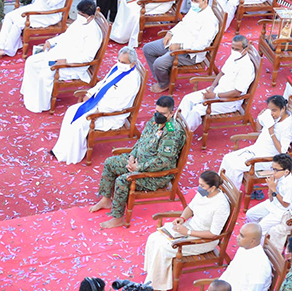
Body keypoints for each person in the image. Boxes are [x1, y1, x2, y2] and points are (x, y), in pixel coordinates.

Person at [89, 96, 186, 229]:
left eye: (162, 113)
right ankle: (106, 200)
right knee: (110, 162)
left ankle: (117, 218)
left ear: (171, 113)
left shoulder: (172, 133)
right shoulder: (155, 120)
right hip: (138, 162)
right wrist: (132, 156)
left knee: (122, 181)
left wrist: (138, 167)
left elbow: (163, 161)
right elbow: (141, 141)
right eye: (157, 111)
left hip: (156, 174)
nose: (158, 115)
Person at [50, 47, 142, 164]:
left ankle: (73, 155)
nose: (119, 64)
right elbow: (103, 83)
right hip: (97, 103)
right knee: (71, 111)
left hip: (108, 113)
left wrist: (99, 110)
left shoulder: (132, 80)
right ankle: (62, 150)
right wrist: (90, 93)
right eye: (118, 60)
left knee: (79, 123)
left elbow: (120, 104)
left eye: (123, 62)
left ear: (132, 64)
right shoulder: (117, 67)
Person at [143, 170, 231, 291]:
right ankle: (153, 276)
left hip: (203, 239)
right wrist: (182, 218)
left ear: (212, 188)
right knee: (153, 238)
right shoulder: (203, 193)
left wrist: (187, 233)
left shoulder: (221, 206)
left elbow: (214, 234)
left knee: (163, 247)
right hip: (189, 227)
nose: (199, 188)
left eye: (202, 185)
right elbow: (190, 207)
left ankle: (158, 285)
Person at [20, 0, 102, 113]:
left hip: (73, 63)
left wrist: (66, 60)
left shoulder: (93, 33)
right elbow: (67, 35)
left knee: (45, 71)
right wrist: (51, 41)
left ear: (91, 17)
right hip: (62, 52)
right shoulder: (80, 22)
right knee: (31, 61)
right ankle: (30, 93)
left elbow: (87, 58)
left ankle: (41, 104)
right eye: (78, 13)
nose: (79, 17)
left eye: (82, 15)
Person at [143, 0, 219, 93]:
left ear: (205, 2)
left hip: (189, 53)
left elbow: (200, 45)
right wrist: (170, 33)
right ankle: (163, 77)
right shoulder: (195, 9)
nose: (193, 3)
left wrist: (180, 46)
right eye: (192, 0)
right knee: (148, 49)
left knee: (158, 64)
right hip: (175, 41)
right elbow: (183, 23)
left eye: (196, 1)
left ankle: (164, 84)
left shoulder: (210, 21)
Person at [178, 35, 255, 132]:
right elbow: (221, 73)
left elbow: (237, 92)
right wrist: (212, 87)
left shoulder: (247, 67)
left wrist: (215, 96)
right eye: (232, 48)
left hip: (229, 101)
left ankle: (182, 135)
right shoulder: (234, 56)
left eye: (237, 49)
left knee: (196, 111)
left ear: (245, 49)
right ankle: (175, 128)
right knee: (188, 99)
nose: (234, 51)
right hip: (216, 91)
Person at [219, 95, 292, 189]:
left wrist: (271, 132)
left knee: (234, 166)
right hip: (256, 150)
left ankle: (231, 194)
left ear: (283, 108)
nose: (271, 113)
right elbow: (258, 128)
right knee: (227, 158)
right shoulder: (274, 116)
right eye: (270, 110)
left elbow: (282, 151)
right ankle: (220, 189)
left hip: (267, 159)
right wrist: (260, 118)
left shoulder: (288, 126)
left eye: (274, 110)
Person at [245, 153, 292, 234]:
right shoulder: (278, 177)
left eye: (276, 170)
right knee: (250, 215)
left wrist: (274, 190)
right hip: (272, 205)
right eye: (272, 169)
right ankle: (257, 235)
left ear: (286, 172)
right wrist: (270, 188)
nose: (273, 172)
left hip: (283, 212)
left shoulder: (291, 185)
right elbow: (271, 199)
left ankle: (260, 236)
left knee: (260, 229)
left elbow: (285, 204)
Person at [218, 222, 273, 290]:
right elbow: (230, 270)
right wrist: (218, 286)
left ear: (252, 241)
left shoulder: (260, 267)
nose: (237, 237)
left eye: (242, 236)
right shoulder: (243, 248)